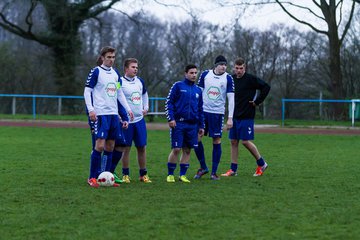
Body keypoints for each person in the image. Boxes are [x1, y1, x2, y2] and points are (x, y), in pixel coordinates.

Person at [84, 46, 133, 187]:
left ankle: (105, 177)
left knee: (110, 146)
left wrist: (127, 109)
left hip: (113, 114)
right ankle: (92, 177)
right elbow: (87, 91)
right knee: (99, 145)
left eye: (113, 57)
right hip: (100, 114)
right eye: (109, 57)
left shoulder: (116, 74)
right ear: (102, 58)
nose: (111, 60)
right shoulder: (96, 71)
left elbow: (119, 93)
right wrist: (91, 109)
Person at [221, 57, 270, 177]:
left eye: (241, 68)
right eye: (236, 68)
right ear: (234, 67)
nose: (238, 70)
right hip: (234, 115)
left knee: (245, 142)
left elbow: (266, 87)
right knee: (233, 141)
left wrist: (257, 102)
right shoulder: (231, 79)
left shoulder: (250, 79)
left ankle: (262, 163)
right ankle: (233, 170)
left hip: (247, 115)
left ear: (245, 67)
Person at [193, 55, 234, 180]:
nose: (224, 67)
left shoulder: (228, 78)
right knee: (197, 139)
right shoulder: (205, 75)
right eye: (221, 64)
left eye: (225, 65)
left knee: (216, 141)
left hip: (217, 114)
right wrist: (195, 110)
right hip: (203, 112)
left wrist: (230, 117)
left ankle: (214, 173)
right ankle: (203, 167)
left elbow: (231, 98)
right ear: (216, 65)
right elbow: (197, 93)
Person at [165, 64, 205, 183]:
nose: (194, 75)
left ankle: (182, 175)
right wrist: (171, 118)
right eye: (191, 73)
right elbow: (169, 102)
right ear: (185, 73)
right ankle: (170, 174)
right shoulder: (178, 86)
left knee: (187, 150)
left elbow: (200, 109)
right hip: (178, 123)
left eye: (195, 73)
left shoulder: (198, 90)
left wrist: (201, 125)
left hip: (192, 125)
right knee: (176, 149)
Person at [118, 58, 152, 183]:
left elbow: (145, 94)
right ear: (126, 69)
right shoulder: (119, 82)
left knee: (142, 147)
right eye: (133, 67)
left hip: (139, 120)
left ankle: (143, 174)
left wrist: (146, 107)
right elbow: (116, 97)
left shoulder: (140, 81)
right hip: (126, 122)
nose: (136, 69)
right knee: (126, 148)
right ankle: (125, 174)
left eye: (137, 67)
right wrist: (120, 115)